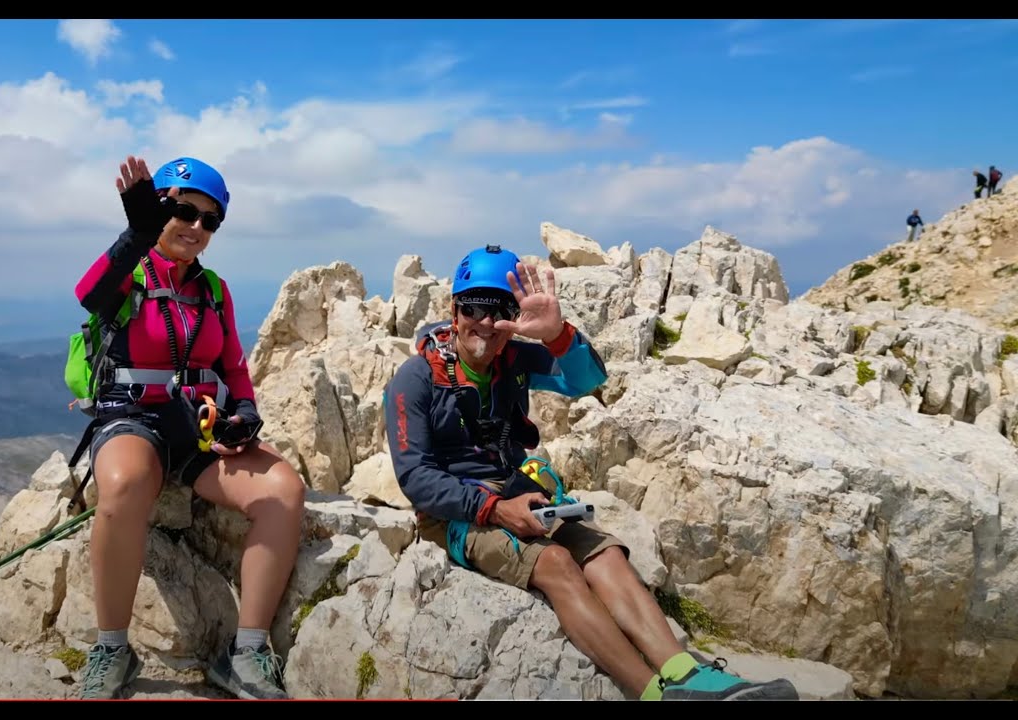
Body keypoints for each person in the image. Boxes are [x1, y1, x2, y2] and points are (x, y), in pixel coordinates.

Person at [381, 244, 800, 701]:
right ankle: (654, 695)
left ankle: (686, 673)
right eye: (474, 307)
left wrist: (557, 333)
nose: (485, 322)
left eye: (500, 309)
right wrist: (497, 511)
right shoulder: (416, 379)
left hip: (515, 490)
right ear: (454, 309)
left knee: (603, 553)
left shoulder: (514, 360)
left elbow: (585, 380)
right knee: (556, 563)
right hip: (456, 513)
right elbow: (416, 478)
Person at [72, 154, 305, 700]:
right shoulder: (131, 273)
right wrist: (137, 233)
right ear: (160, 209)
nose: (197, 227)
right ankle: (112, 647)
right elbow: (89, 294)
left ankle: (246, 654)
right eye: (184, 211)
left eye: (210, 219)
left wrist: (244, 417)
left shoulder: (214, 290)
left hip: (199, 427)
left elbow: (234, 369)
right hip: (130, 418)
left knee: (283, 490)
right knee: (126, 484)